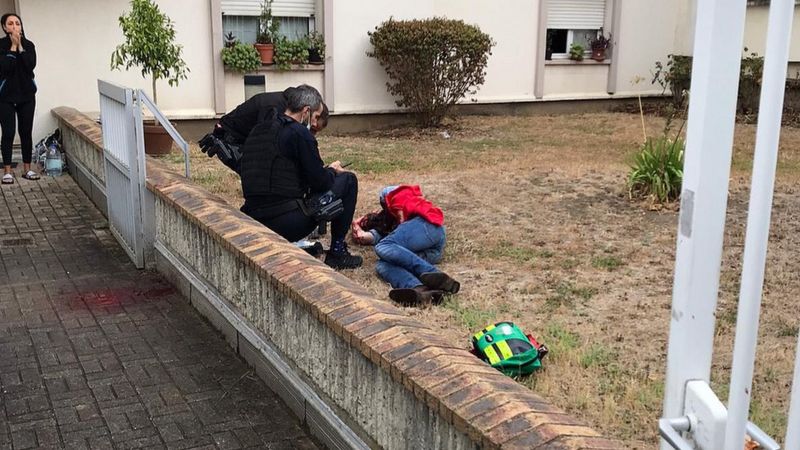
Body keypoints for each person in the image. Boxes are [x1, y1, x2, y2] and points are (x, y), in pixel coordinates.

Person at [239, 84, 362, 270]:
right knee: (348, 180)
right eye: (315, 117)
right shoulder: (299, 133)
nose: (314, 124)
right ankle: (337, 252)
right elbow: (321, 181)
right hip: (285, 222)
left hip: (251, 218)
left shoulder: (258, 130)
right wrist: (332, 170)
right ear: (306, 111)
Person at [352, 185, 460, 306]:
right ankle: (420, 289)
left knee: (382, 246)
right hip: (428, 252)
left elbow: (397, 196)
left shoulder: (398, 198)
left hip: (427, 225)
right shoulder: (387, 227)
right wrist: (361, 231)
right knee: (382, 264)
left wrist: (392, 205)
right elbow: (374, 236)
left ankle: (433, 273)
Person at [199, 87, 328, 173]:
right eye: (315, 118)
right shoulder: (275, 109)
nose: (313, 124)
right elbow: (265, 146)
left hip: (236, 136)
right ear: (306, 108)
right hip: (231, 139)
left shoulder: (283, 103)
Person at [0, 13, 38, 184]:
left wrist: (20, 46)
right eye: (10, 23)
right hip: (5, 96)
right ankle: (7, 171)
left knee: (26, 132)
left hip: (26, 95)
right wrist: (13, 47)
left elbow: (30, 65)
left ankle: (27, 169)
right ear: (4, 27)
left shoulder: (29, 45)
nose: (15, 26)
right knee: (8, 133)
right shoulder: (1, 45)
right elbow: (5, 67)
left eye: (17, 23)